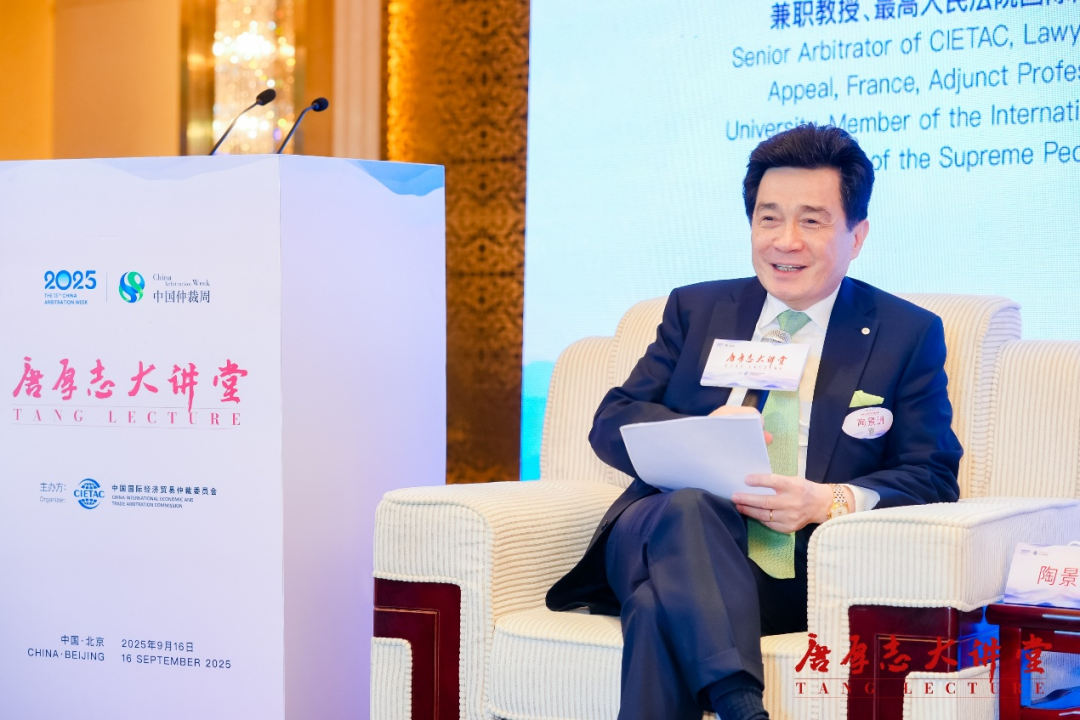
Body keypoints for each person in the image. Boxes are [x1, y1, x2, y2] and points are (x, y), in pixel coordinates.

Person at [545, 124, 962, 720]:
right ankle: (743, 706)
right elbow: (614, 420)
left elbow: (932, 473)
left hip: (785, 565)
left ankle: (735, 701)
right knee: (690, 507)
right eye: (769, 219)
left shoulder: (905, 333)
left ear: (857, 236)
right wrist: (700, 434)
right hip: (653, 534)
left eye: (812, 221)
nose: (785, 241)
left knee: (656, 607)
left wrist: (828, 500)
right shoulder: (698, 309)